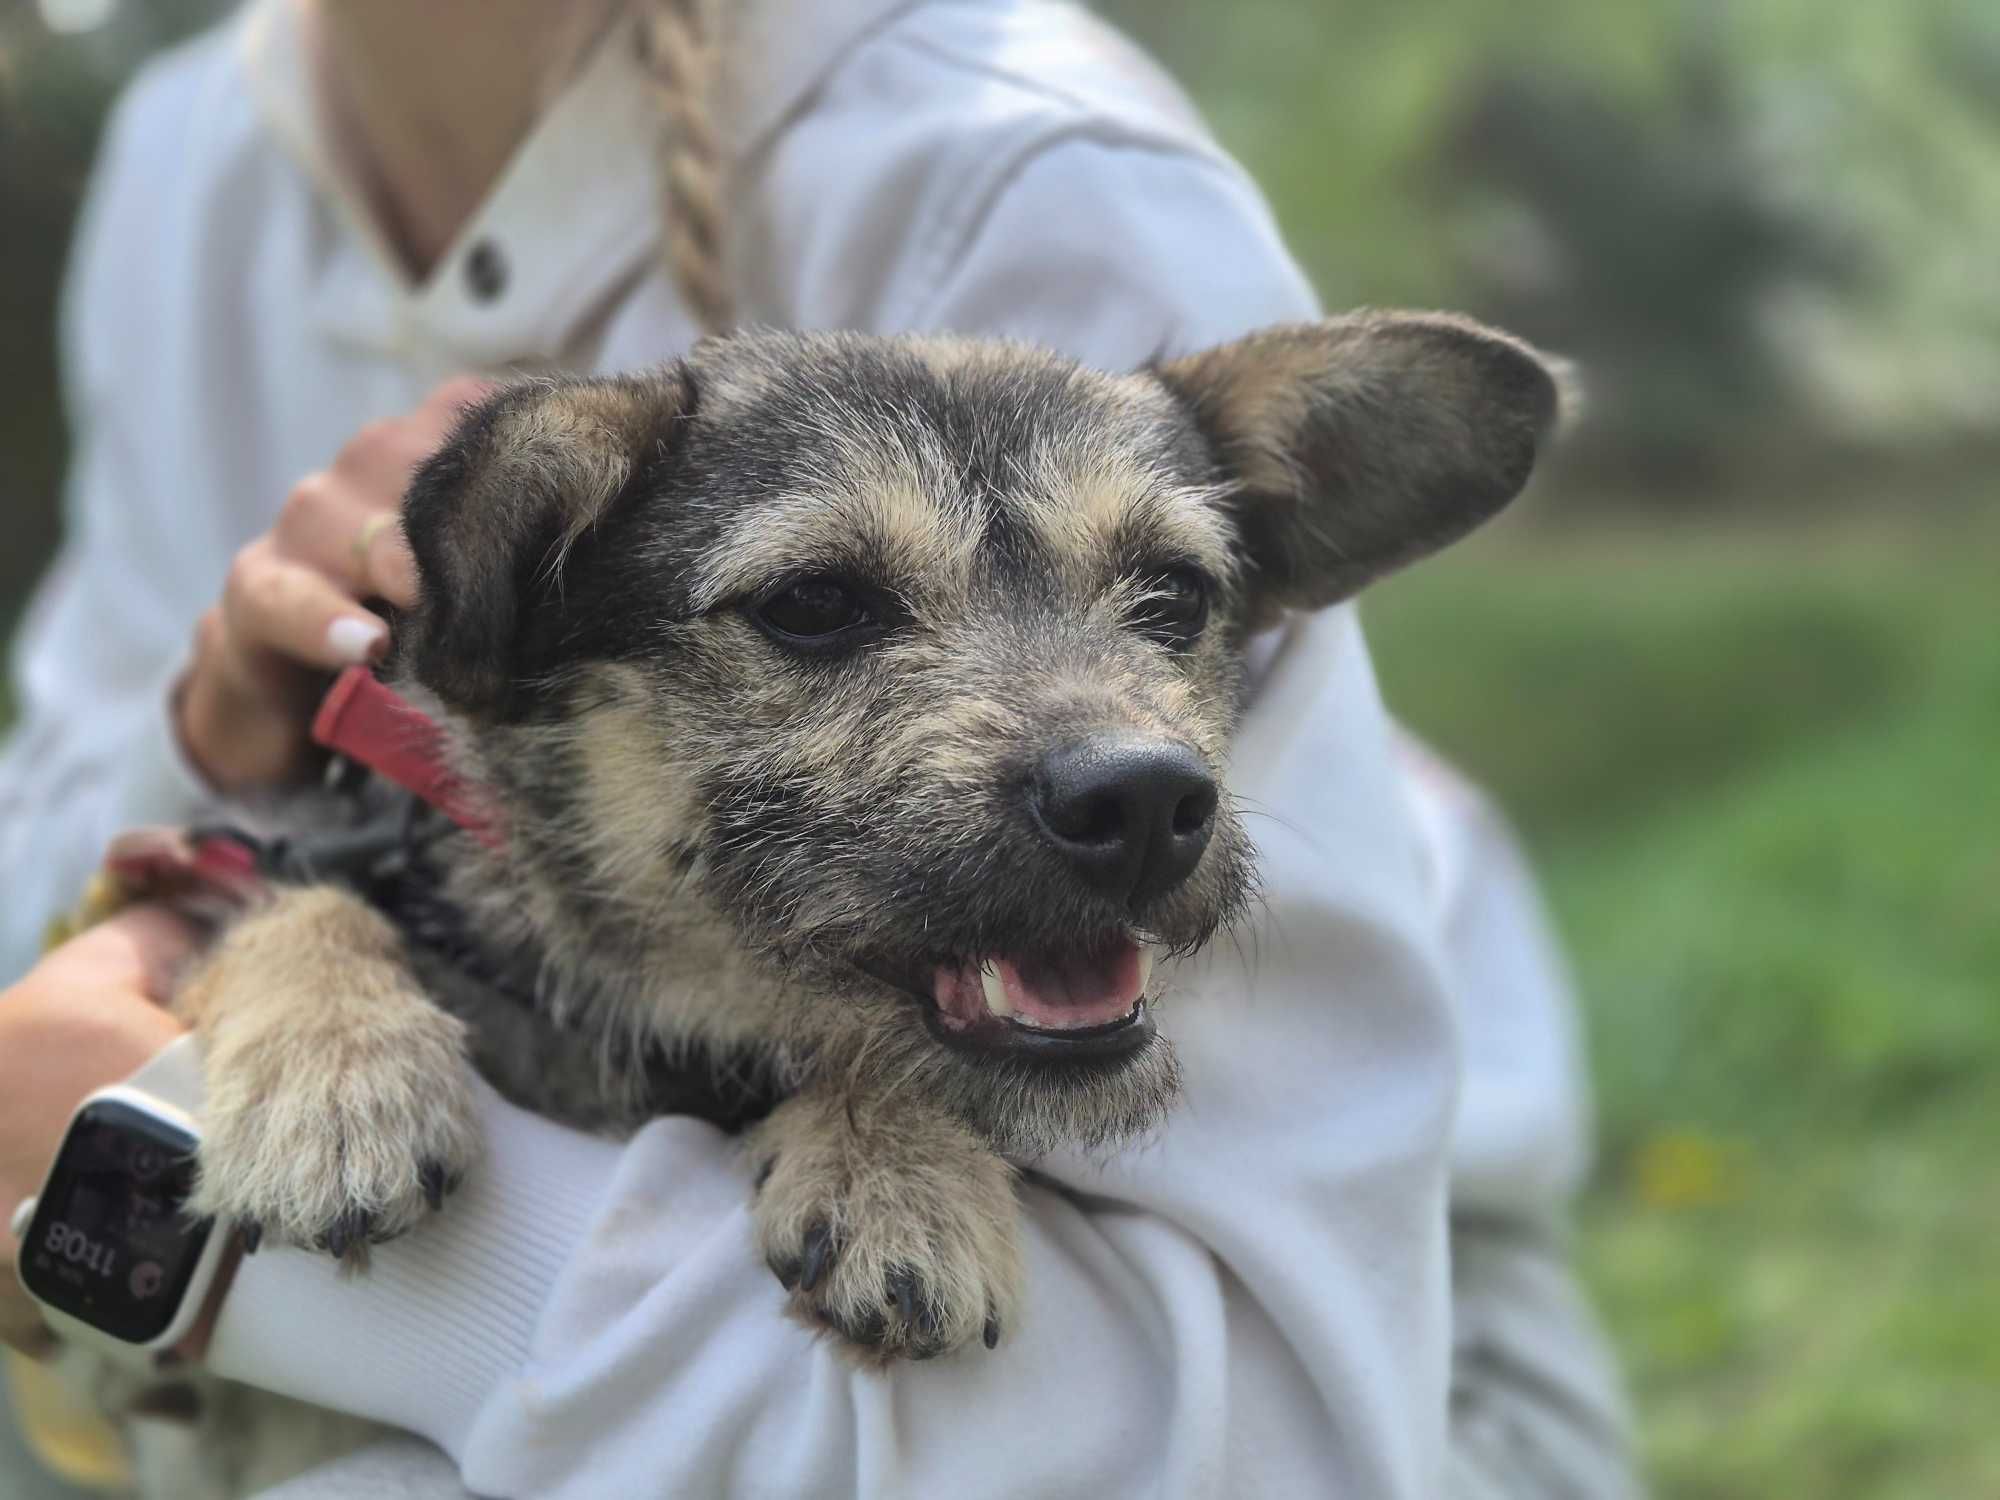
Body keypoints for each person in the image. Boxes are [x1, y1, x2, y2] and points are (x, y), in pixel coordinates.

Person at [0, 0, 1639, 1495]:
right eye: (821, 607)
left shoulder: (1032, 169)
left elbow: (1284, 1457)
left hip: (1433, 1393)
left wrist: (165, 1195)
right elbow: (48, 895)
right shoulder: (182, 160)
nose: (1126, 750)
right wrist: (212, 795)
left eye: (1165, 597)